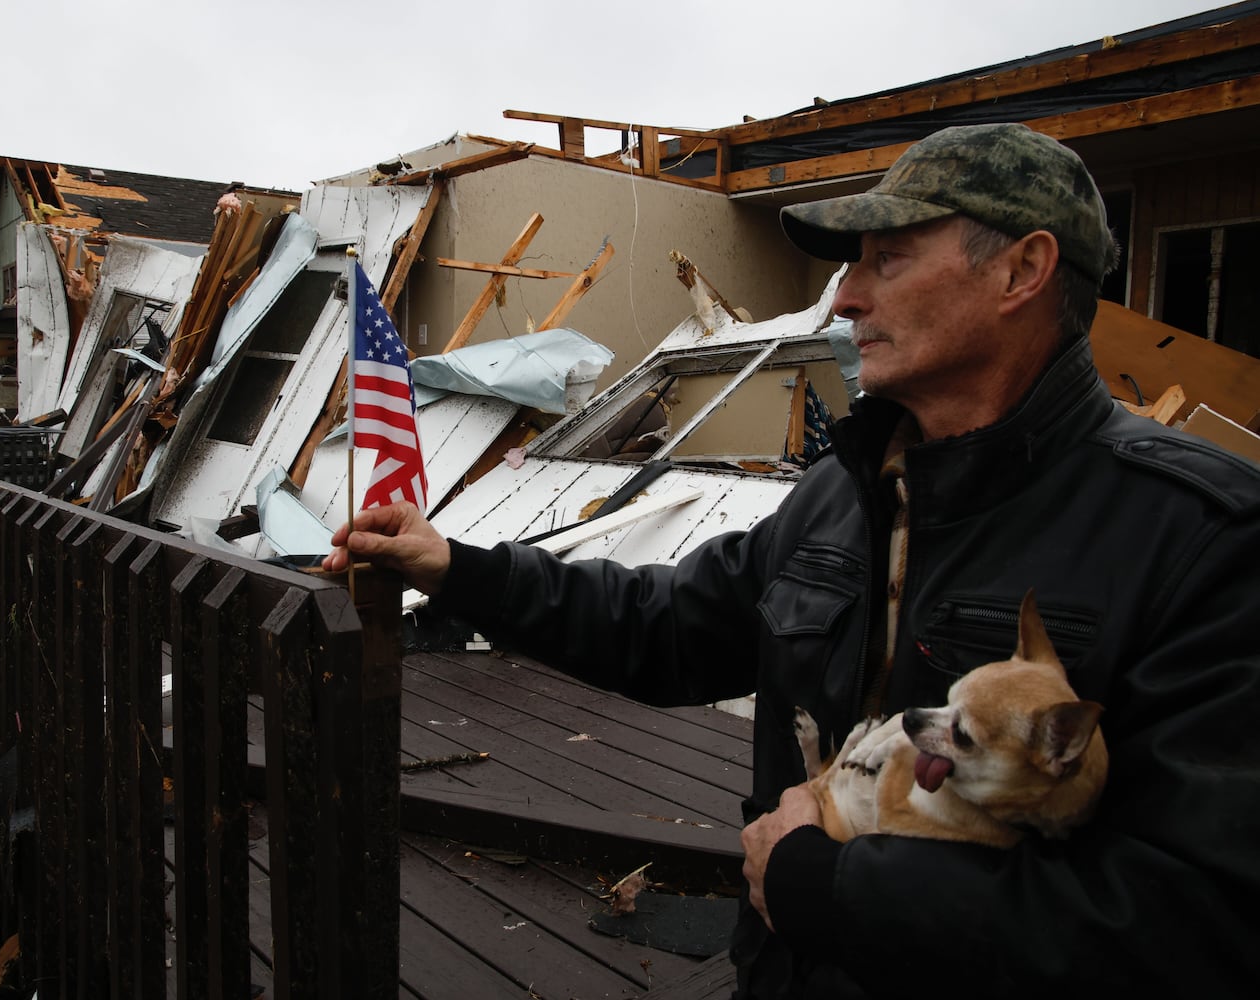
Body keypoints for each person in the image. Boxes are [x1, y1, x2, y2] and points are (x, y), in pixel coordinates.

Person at [323, 123, 1260, 997]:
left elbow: (1198, 918)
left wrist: (836, 891)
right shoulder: (844, 494)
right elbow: (668, 626)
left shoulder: (1203, 538)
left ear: (1023, 269)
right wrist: (458, 567)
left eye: (886, 259)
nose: (846, 296)